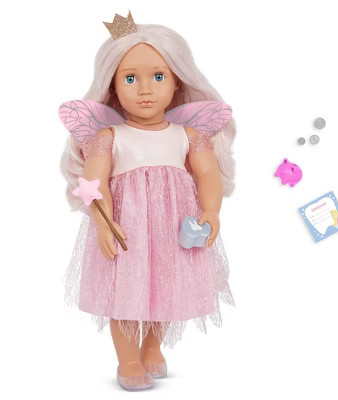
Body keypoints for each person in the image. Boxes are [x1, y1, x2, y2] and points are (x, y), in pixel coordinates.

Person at [60, 12, 236, 391]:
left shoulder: (189, 134)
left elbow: (208, 174)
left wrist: (210, 209)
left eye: (158, 77)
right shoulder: (109, 136)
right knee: (125, 293)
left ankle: (152, 348)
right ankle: (128, 360)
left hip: (173, 229)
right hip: (127, 228)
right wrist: (103, 220)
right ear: (112, 85)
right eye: (130, 78)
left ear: (176, 81)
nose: (145, 89)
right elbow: (95, 182)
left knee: (166, 289)